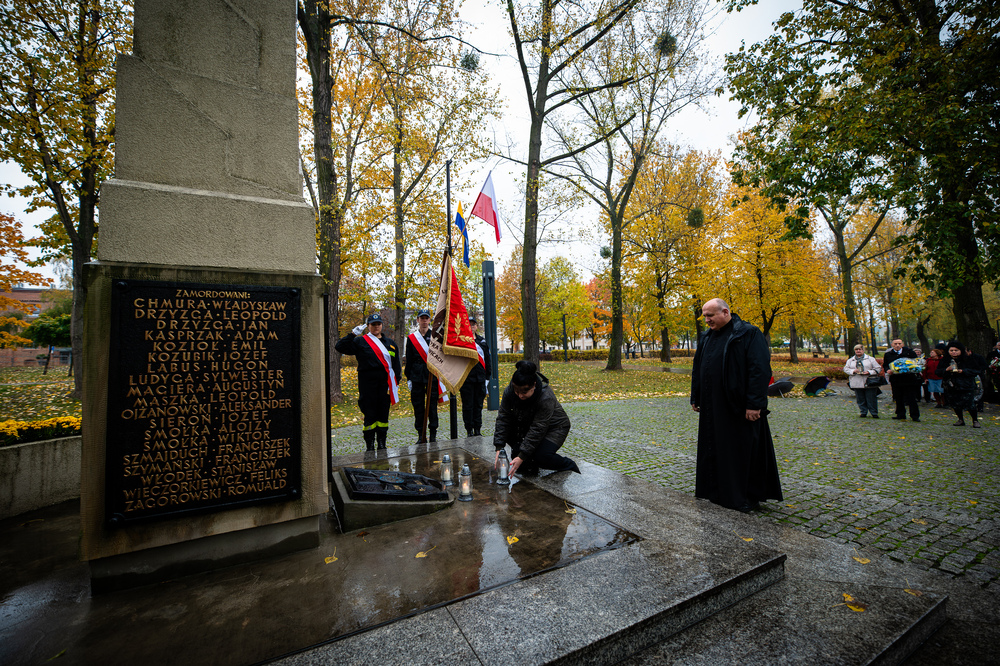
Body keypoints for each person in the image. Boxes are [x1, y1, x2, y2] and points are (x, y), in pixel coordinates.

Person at [690, 298, 782, 512]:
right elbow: (699, 368)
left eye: (710, 315)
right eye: (704, 316)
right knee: (715, 449)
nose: (707, 320)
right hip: (713, 407)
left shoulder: (747, 334)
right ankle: (716, 492)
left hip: (739, 408)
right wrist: (696, 396)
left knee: (740, 451)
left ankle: (743, 497)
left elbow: (760, 370)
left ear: (725, 312)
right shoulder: (707, 337)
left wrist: (754, 404)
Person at [493, 360, 579, 476]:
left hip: (555, 427)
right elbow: (504, 417)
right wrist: (499, 447)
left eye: (524, 392)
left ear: (534, 385)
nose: (520, 395)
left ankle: (568, 464)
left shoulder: (546, 397)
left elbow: (538, 428)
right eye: (517, 391)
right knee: (522, 462)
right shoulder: (510, 391)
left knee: (541, 456)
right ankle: (529, 463)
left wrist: (522, 456)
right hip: (527, 423)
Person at [335, 313, 402, 450]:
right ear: (368, 326)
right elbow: (339, 347)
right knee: (370, 414)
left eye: (378, 324)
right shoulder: (360, 341)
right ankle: (370, 444)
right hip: (368, 384)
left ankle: (382, 443)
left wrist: (396, 383)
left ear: (381, 325)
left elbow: (396, 366)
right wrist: (352, 334)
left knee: (383, 414)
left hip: (385, 385)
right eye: (373, 324)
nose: (376, 327)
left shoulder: (391, 344)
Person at [404, 309, 443, 443]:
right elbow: (408, 359)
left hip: (431, 375)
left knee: (432, 406)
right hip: (416, 376)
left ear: (429, 320)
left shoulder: (436, 336)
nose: (424, 321)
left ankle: (433, 434)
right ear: (418, 320)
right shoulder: (411, 338)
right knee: (418, 406)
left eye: (426, 318)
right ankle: (421, 434)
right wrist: (408, 377)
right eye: (422, 318)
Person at [936, 341, 982, 428]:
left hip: (966, 385)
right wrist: (946, 370)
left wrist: (963, 371)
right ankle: (960, 419)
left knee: (970, 404)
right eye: (951, 350)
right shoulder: (945, 360)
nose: (953, 352)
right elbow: (938, 372)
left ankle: (975, 420)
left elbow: (977, 370)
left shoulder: (968, 359)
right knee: (955, 404)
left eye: (956, 350)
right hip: (951, 385)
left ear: (961, 350)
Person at [460, 315, 491, 436]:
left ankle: (477, 429)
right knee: (468, 406)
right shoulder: (462, 342)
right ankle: (469, 430)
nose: (471, 326)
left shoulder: (482, 341)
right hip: (467, 379)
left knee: (478, 405)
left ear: (476, 327)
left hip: (480, 379)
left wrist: (487, 378)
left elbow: (487, 360)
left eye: (473, 324)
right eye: (469, 324)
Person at [884, 339, 920, 422]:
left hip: (909, 378)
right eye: (895, 343)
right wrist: (887, 370)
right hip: (896, 379)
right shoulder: (888, 354)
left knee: (911, 398)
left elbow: (916, 362)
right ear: (892, 345)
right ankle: (900, 414)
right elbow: (885, 365)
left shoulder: (909, 352)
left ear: (902, 344)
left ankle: (915, 415)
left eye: (899, 343)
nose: (897, 345)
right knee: (898, 397)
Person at [844, 344, 881, 418]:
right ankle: (863, 411)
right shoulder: (851, 360)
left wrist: (869, 372)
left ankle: (874, 412)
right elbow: (846, 369)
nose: (858, 351)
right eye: (856, 349)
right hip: (856, 381)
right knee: (860, 398)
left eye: (860, 349)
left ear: (863, 350)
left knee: (871, 398)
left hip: (869, 381)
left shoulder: (870, 359)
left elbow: (878, 368)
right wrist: (853, 371)